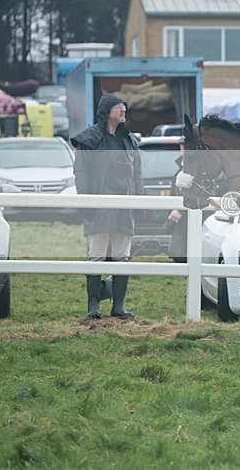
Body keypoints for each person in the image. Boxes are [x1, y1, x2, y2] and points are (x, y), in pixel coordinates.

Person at [71, 93, 143, 319]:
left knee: (123, 257)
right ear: (106, 111)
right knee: (96, 256)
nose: (123, 109)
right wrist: (86, 203)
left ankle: (118, 306)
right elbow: (80, 173)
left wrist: (140, 201)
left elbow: (137, 174)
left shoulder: (129, 140)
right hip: (98, 207)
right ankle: (93, 307)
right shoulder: (89, 139)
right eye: (118, 106)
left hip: (125, 208)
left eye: (124, 106)